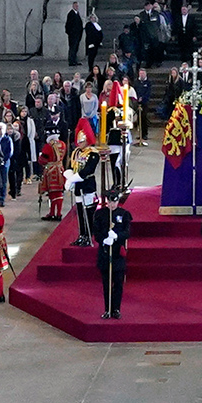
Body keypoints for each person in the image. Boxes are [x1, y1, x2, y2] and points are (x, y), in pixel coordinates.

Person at [91, 190, 131, 319]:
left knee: (118, 284)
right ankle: (107, 309)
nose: (112, 204)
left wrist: (117, 236)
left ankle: (116, 309)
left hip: (118, 254)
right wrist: (104, 239)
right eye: (110, 201)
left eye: (115, 201)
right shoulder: (100, 214)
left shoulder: (124, 214)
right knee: (107, 284)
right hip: (105, 252)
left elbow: (127, 232)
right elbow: (96, 233)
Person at [65, 121, 102, 247]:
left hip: (88, 186)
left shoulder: (92, 154)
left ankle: (90, 234)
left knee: (89, 212)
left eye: (81, 141)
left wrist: (73, 178)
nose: (79, 143)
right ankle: (82, 235)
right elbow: (71, 165)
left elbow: (88, 170)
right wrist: (69, 175)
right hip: (78, 187)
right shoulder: (76, 152)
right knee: (80, 212)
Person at [37, 129, 67, 221]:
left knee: (52, 193)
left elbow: (42, 160)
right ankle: (58, 213)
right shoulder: (63, 144)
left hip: (51, 171)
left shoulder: (48, 146)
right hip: (60, 169)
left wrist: (40, 157)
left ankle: (52, 213)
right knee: (59, 192)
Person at [66, 1, 84, 66]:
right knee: (72, 48)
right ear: (73, 6)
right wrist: (71, 33)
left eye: (77, 6)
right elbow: (68, 25)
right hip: (73, 35)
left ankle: (74, 60)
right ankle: (71, 61)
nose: (77, 7)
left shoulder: (77, 13)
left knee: (76, 48)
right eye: (75, 6)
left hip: (77, 34)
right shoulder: (71, 14)